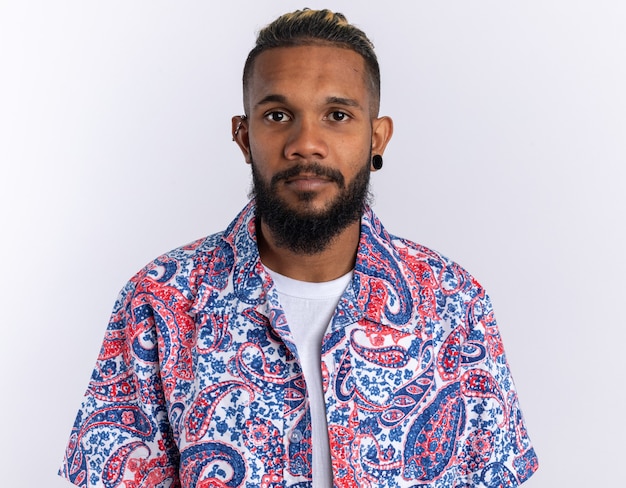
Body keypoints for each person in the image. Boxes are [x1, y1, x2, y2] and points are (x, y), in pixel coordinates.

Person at [59, 8, 538, 488]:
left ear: (377, 136)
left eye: (337, 115)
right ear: (245, 136)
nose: (306, 143)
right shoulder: (160, 301)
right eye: (277, 115)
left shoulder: (455, 304)